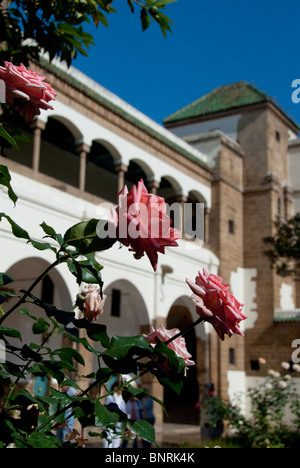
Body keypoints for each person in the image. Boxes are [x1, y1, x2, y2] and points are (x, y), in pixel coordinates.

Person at [103, 382, 127, 449]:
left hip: (118, 422)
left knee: (117, 439)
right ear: (115, 388)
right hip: (110, 421)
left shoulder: (121, 398)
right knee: (108, 439)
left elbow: (123, 409)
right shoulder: (110, 397)